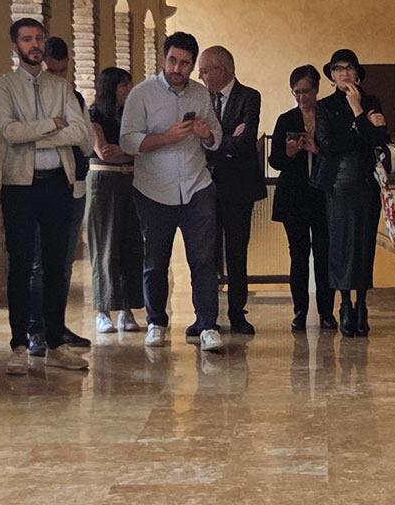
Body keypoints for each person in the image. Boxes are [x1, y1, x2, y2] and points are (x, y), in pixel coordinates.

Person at [0, 19, 91, 372]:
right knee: (20, 265)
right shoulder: (2, 86)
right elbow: (9, 132)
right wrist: (51, 124)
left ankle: (56, 342)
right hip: (20, 186)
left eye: (39, 38)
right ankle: (20, 344)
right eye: (27, 39)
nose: (34, 45)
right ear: (15, 45)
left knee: (55, 265)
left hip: (57, 184)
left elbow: (80, 133)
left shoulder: (60, 86)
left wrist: (36, 137)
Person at [118, 31, 225, 352]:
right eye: (172, 60)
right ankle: (156, 322)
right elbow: (127, 141)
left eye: (185, 63)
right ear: (164, 59)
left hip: (197, 186)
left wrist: (205, 135)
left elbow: (216, 137)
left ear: (193, 66)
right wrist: (166, 137)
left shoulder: (200, 94)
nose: (177, 68)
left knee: (204, 261)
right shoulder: (142, 94)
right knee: (155, 261)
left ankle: (207, 326)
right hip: (154, 190)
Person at [312, 48, 389, 338]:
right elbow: (327, 144)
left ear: (357, 72)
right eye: (337, 68)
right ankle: (344, 305)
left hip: (367, 183)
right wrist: (360, 127)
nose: (343, 72)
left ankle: (362, 304)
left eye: (348, 67)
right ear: (332, 75)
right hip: (338, 184)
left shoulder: (371, 101)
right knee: (341, 245)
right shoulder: (325, 106)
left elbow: (379, 139)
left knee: (364, 244)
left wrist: (358, 112)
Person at [197, 44, 266, 335]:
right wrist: (226, 140)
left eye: (204, 71)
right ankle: (206, 317)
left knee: (237, 254)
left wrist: (212, 140)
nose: (200, 77)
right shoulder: (202, 99)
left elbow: (246, 143)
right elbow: (197, 143)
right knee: (206, 254)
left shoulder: (249, 97)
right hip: (207, 187)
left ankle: (237, 313)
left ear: (220, 70)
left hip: (238, 190)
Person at [29, 35, 92, 352]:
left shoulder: (75, 99)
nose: (58, 78)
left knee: (63, 264)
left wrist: (48, 135)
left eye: (63, 71)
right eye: (52, 71)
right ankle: (35, 329)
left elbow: (86, 141)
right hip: (36, 189)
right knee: (38, 264)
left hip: (72, 188)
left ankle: (56, 325)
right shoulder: (26, 101)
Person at [268, 64, 335, 331]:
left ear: (316, 89)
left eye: (306, 91)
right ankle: (300, 310)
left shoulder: (328, 116)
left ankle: (327, 312)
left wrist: (316, 149)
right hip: (294, 196)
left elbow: (338, 154)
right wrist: (289, 153)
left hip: (323, 196)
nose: (301, 97)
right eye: (296, 92)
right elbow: (274, 160)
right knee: (298, 254)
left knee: (324, 254)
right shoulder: (286, 119)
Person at [85, 66, 145, 334]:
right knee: (105, 245)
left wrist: (127, 151)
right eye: (123, 85)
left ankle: (126, 309)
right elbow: (103, 152)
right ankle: (103, 310)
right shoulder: (94, 114)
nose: (128, 90)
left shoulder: (132, 116)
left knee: (131, 245)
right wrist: (130, 151)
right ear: (110, 88)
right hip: (104, 183)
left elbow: (143, 150)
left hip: (130, 182)